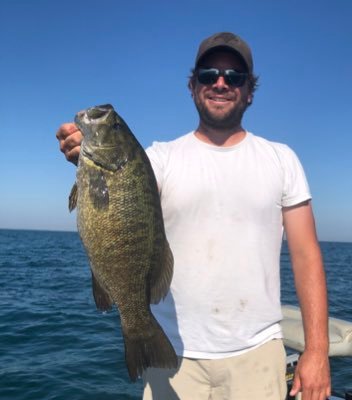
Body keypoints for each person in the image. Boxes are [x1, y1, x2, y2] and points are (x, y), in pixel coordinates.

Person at [56, 32, 331, 400]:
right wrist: (82, 157)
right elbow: (120, 198)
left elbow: (306, 255)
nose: (221, 83)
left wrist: (317, 351)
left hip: (258, 355)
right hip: (170, 353)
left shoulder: (282, 159)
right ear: (192, 86)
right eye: (208, 74)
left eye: (234, 77)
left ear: (250, 90)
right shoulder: (158, 159)